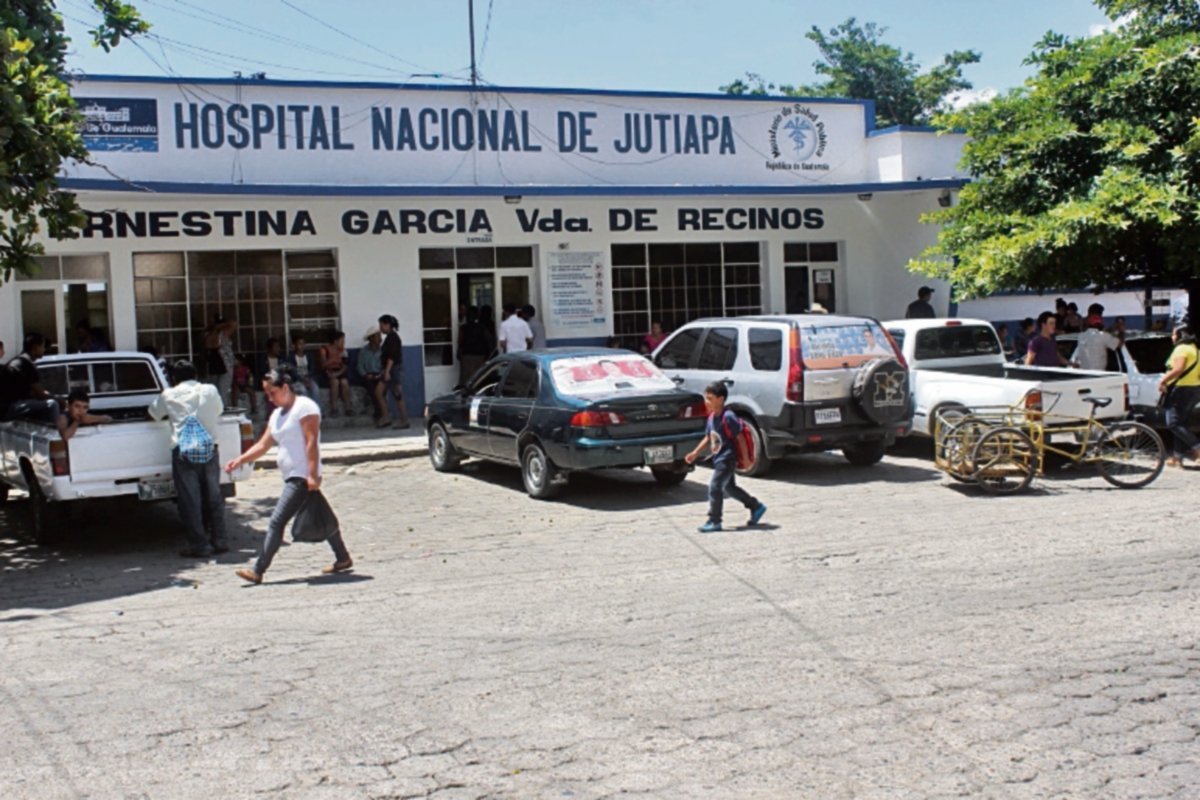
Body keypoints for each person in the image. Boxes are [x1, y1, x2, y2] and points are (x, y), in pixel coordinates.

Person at [225, 366, 353, 584]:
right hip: (292, 474)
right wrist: (240, 460)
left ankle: (258, 570)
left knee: (276, 522)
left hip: (301, 476)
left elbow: (311, 441)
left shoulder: (305, 408)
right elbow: (264, 444)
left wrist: (312, 474)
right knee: (322, 514)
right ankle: (343, 558)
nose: (270, 398)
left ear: (285, 387)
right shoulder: (277, 415)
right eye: (266, 394)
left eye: (272, 393)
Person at [147, 359, 228, 558]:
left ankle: (199, 546)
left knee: (190, 500)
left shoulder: (169, 395)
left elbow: (153, 414)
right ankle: (220, 540)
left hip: (184, 452)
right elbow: (219, 410)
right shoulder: (210, 390)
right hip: (209, 450)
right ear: (196, 374)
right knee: (214, 497)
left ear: (174, 378)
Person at [685, 381, 767, 533]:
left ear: (720, 399)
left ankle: (714, 520)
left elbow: (740, 437)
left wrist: (747, 458)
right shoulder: (711, 417)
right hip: (718, 458)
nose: (707, 402)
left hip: (727, 458)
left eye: (710, 398)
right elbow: (709, 437)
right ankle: (756, 506)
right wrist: (695, 452)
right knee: (730, 488)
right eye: (706, 398)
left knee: (715, 487)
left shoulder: (728, 416)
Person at [1158, 326, 1200, 468]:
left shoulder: (1181, 349)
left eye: (1173, 334)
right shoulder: (1196, 350)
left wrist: (1163, 381)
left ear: (1180, 335)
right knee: (1181, 423)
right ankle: (1177, 457)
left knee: (1173, 423)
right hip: (1194, 389)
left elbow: (1178, 369)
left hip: (1181, 389)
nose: (1172, 337)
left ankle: (1197, 447)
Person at [1, 333, 59, 423]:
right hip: (9, 407)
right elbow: (41, 394)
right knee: (52, 405)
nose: (44, 349)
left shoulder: (17, 361)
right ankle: (54, 435)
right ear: (35, 348)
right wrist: (61, 401)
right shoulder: (26, 365)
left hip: (10, 405)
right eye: (42, 346)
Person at [378, 314, 409, 428]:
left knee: (397, 394)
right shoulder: (390, 337)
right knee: (379, 392)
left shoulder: (393, 338)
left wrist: (387, 371)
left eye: (382, 324)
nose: (380, 327)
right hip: (390, 369)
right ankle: (386, 417)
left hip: (393, 369)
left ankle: (404, 420)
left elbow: (392, 356)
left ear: (388, 325)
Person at [1073, 306, 1123, 372]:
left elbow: (1099, 333)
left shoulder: (1081, 336)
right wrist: (1121, 331)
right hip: (1098, 375)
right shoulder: (1103, 336)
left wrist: (1112, 328)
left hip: (1083, 374)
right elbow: (1118, 344)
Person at [318, 330, 353, 417]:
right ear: (335, 341)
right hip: (327, 371)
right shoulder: (324, 350)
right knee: (335, 382)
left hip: (339, 371)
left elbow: (345, 366)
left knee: (344, 382)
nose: (343, 342)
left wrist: (338, 373)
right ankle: (334, 408)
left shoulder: (343, 351)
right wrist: (336, 357)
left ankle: (348, 408)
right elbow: (323, 365)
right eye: (341, 340)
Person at [357, 325, 387, 426]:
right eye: (377, 336)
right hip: (368, 376)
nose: (380, 338)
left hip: (380, 375)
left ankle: (379, 413)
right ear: (371, 338)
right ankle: (379, 412)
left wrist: (381, 375)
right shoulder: (363, 351)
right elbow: (360, 367)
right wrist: (366, 375)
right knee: (371, 388)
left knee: (380, 389)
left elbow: (385, 366)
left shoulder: (383, 351)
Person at [204, 314, 237, 405]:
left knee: (223, 389)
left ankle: (222, 407)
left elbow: (233, 323)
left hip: (226, 365)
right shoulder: (209, 335)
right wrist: (215, 328)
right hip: (216, 364)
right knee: (214, 388)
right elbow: (211, 345)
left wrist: (220, 326)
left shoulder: (223, 333)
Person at [457, 306, 491, 385]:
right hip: (480, 356)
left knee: (466, 379)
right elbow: (489, 339)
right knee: (478, 378)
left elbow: (460, 342)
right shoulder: (482, 327)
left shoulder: (463, 328)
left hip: (466, 356)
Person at [286, 335, 319, 401]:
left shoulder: (308, 356)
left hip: (308, 379)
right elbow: (292, 372)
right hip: (297, 381)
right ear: (295, 345)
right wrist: (302, 379)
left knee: (316, 390)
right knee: (303, 391)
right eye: (299, 344)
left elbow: (312, 369)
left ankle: (316, 410)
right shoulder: (291, 357)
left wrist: (307, 377)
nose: (302, 346)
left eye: (303, 344)